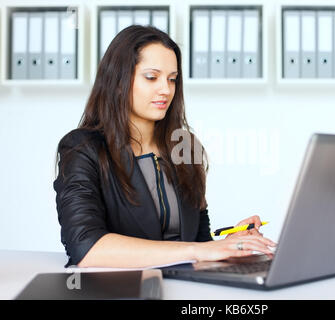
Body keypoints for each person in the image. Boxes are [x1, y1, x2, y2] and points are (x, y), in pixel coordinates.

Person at [53, 26, 276, 268]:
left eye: (172, 79)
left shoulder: (185, 146)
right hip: (121, 289)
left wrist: (231, 245)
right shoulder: (83, 148)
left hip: (184, 288)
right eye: (151, 77)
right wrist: (198, 249)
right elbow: (86, 248)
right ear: (118, 81)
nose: (166, 90)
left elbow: (198, 241)